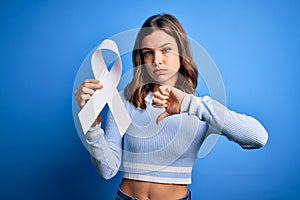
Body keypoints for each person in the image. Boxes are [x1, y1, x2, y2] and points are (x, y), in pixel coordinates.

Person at [74, 14, 268, 200]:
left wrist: (191, 104)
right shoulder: (126, 100)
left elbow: (258, 137)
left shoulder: (198, 108)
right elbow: (108, 170)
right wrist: (91, 122)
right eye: (148, 52)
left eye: (166, 50)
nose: (157, 60)